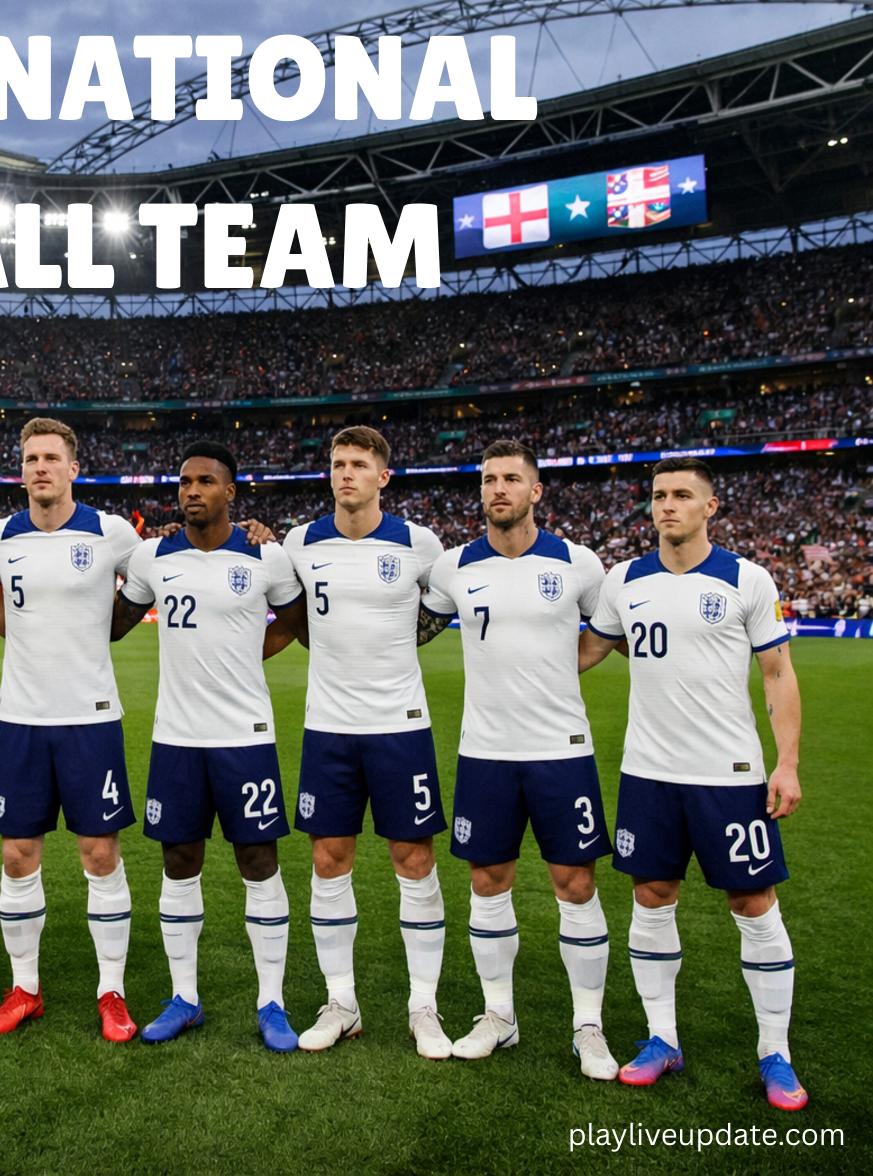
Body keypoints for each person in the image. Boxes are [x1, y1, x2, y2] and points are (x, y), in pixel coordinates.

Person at [578, 457, 807, 1110]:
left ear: (710, 507)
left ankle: (775, 1052)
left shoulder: (745, 579)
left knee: (753, 903)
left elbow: (776, 674)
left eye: (682, 494)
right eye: (658, 495)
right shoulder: (624, 580)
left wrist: (787, 763)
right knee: (651, 898)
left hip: (727, 775)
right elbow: (588, 650)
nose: (667, 505)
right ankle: (662, 1038)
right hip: (647, 773)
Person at [416, 440, 618, 1078]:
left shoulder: (578, 563)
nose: (497, 489)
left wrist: (558, 671)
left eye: (510, 479)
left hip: (562, 750)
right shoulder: (453, 567)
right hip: (486, 752)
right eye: (488, 479)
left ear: (536, 490)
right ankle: (498, 1015)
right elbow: (409, 628)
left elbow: (609, 631)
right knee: (487, 882)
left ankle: (589, 1026)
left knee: (576, 884)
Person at [112, 441, 309, 1051]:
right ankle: (185, 998)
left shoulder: (264, 555)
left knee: (259, 861)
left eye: (205, 481)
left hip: (245, 736)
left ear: (230, 491)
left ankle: (272, 1002)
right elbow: (115, 624)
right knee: (179, 862)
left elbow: (300, 625)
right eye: (185, 481)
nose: (192, 490)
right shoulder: (153, 556)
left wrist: (249, 655)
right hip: (176, 736)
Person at [270, 425, 452, 1059]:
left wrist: (400, 641)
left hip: (401, 726)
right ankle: (341, 1002)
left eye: (358, 464)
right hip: (328, 727)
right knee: (329, 860)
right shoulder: (300, 542)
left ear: (383, 477)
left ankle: (423, 1007)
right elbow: (289, 608)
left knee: (414, 860)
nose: (346, 473)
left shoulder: (419, 544)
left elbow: (437, 613)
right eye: (338, 463)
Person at [0, 417, 147, 1042]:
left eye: (51, 458)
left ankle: (112, 992)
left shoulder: (111, 532)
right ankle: (25, 989)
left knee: (100, 853)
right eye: (30, 459)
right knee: (17, 856)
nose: (40, 467)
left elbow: (159, 576)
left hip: (90, 720)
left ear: (73, 468)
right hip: (20, 718)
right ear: (20, 470)